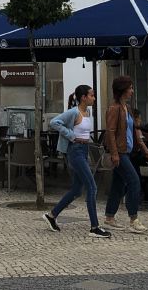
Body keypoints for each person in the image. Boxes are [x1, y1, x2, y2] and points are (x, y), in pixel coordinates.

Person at [42, 84, 111, 239]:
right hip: (75, 151)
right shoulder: (73, 112)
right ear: (83, 97)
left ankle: (52, 215)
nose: (94, 98)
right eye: (92, 95)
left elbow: (85, 132)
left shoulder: (87, 112)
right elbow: (54, 122)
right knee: (92, 186)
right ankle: (94, 227)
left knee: (77, 190)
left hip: (84, 150)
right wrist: (72, 136)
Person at [101, 75, 148, 234]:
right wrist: (114, 153)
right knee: (134, 181)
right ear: (122, 90)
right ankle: (133, 219)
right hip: (120, 153)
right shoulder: (114, 108)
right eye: (130, 88)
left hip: (127, 152)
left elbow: (133, 129)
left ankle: (109, 217)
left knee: (118, 184)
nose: (132, 91)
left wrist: (142, 146)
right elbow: (110, 132)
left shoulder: (127, 108)